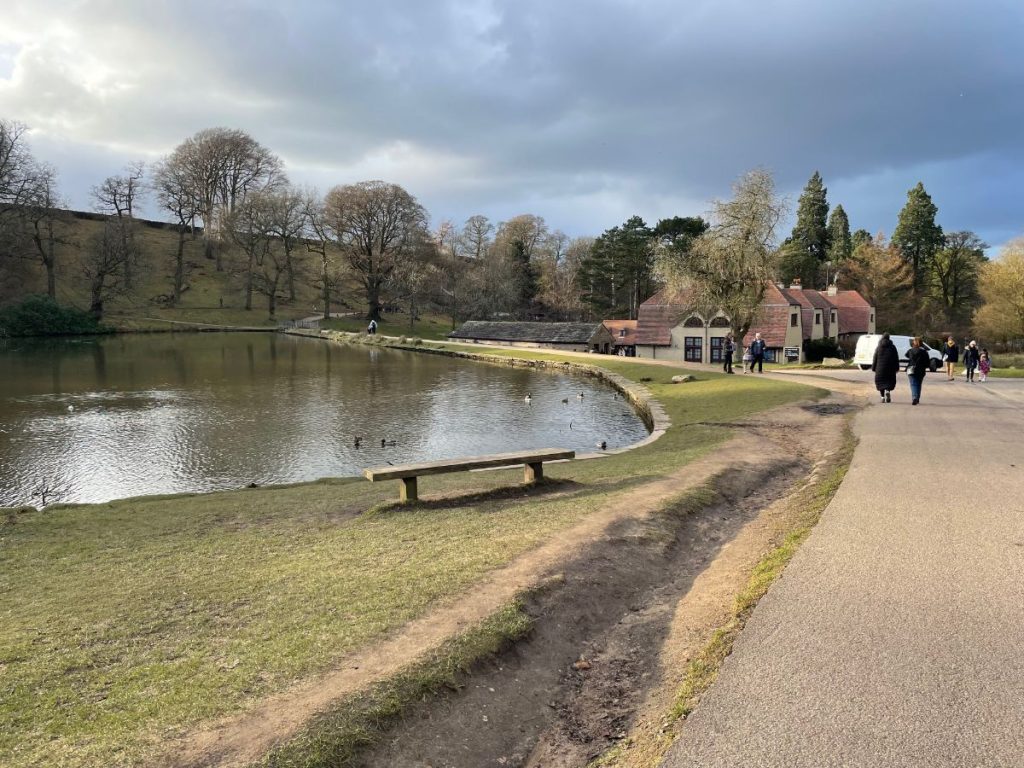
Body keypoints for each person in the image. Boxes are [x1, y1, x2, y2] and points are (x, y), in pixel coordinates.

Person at [871, 332, 899, 403]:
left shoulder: (878, 347)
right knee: (889, 381)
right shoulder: (893, 347)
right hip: (890, 369)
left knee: (881, 383)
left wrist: (873, 368)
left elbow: (875, 358)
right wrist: (897, 368)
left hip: (880, 369)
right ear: (889, 338)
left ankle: (882, 397)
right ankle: (887, 391)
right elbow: (896, 358)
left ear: (882, 337)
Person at [906, 336, 930, 405]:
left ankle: (915, 398)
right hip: (921, 369)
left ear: (914, 343)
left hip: (911, 369)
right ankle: (917, 398)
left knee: (913, 384)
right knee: (919, 384)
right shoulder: (924, 352)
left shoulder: (910, 350)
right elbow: (927, 362)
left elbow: (907, 355)